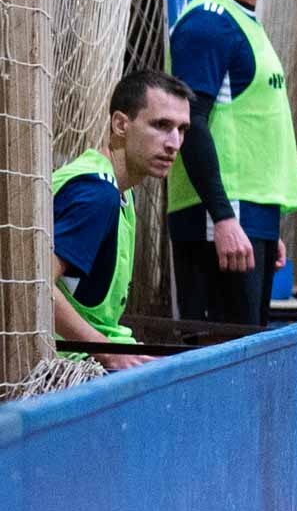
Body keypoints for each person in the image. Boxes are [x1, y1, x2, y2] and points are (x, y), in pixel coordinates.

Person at [167, 0, 297, 326]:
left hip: (249, 217)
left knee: (249, 349)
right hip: (223, 218)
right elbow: (190, 123)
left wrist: (264, 226)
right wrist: (224, 217)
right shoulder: (208, 23)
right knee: (225, 351)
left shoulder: (243, 20)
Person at [52, 69, 193, 369]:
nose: (174, 143)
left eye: (182, 130)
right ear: (120, 124)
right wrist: (108, 352)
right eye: (161, 125)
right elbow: (34, 286)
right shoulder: (96, 194)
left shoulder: (119, 190)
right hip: (65, 367)